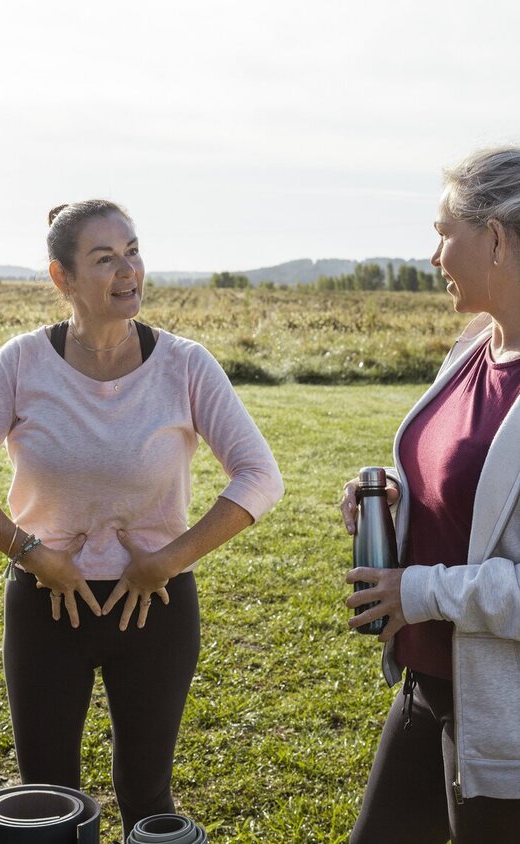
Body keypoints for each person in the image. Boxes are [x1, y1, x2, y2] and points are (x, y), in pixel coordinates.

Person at [0, 200, 284, 834]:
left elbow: (260, 476)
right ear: (61, 278)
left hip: (156, 605)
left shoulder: (185, 365)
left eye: (134, 251)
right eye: (104, 258)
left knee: (147, 793)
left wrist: (165, 563)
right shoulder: (21, 364)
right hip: (45, 602)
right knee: (44, 798)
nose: (129, 270)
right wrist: (34, 555)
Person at [341, 147, 520, 843]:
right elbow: (462, 491)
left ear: (498, 239)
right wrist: (391, 495)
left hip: (505, 725)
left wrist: (419, 592)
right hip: (429, 683)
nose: (435, 254)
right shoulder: (475, 346)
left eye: (445, 231)